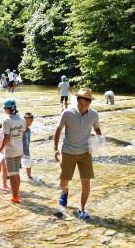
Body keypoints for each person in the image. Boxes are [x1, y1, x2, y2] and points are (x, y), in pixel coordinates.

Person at [53, 88, 102, 220]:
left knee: (86, 183)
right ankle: (65, 191)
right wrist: (55, 150)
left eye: (86, 105)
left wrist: (99, 138)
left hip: (85, 152)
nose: (82, 107)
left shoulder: (93, 114)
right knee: (63, 183)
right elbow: (58, 130)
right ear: (76, 101)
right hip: (68, 151)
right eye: (80, 104)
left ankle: (82, 208)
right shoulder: (67, 113)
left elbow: (96, 127)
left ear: (90, 104)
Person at [0, 99, 26, 203]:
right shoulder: (22, 119)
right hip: (20, 149)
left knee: (12, 175)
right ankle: (17, 194)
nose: (4, 110)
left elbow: (6, 137)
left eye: (4, 108)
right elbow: (23, 134)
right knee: (16, 173)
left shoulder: (6, 120)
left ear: (8, 109)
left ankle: (14, 197)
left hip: (10, 151)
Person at [22, 113, 34, 180]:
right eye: (27, 121)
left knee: (28, 164)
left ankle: (29, 176)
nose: (28, 123)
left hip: (26, 149)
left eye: (30, 121)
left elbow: (28, 140)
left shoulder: (29, 130)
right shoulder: (22, 129)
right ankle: (11, 176)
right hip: (20, 149)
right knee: (17, 164)